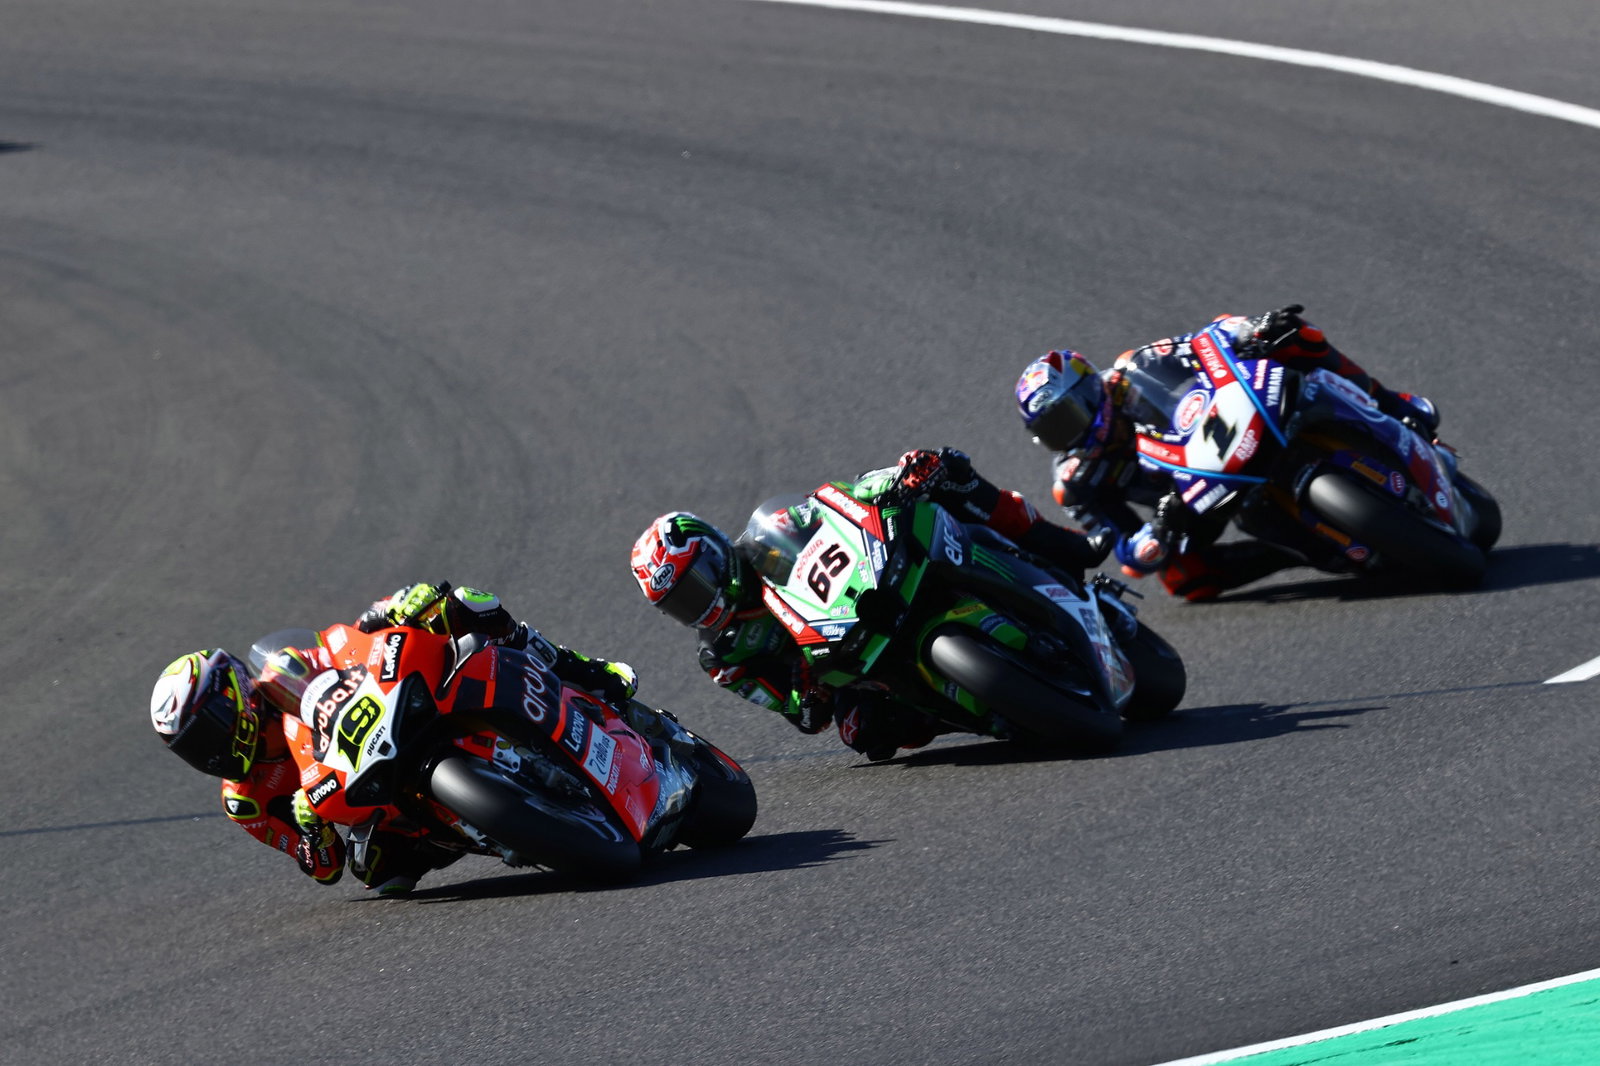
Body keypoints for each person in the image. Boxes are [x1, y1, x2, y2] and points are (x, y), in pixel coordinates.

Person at [149, 582, 638, 896]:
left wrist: (390, 610)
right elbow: (324, 869)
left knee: (465, 606)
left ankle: (585, 671)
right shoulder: (246, 802)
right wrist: (313, 832)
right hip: (360, 794)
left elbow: (340, 644)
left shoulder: (281, 673)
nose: (211, 752)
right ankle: (496, 829)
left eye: (210, 728)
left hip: (383, 713)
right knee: (380, 872)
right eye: (193, 748)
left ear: (234, 694)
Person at [630, 448, 1106, 761]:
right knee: (864, 734)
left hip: (876, 584)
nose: (698, 604)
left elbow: (838, 504)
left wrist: (895, 479)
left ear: (714, 552)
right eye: (678, 604)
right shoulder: (723, 656)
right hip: (844, 663)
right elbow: (793, 713)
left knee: (949, 478)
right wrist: (805, 695)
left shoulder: (770, 535)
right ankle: (992, 709)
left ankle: (1064, 545)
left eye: (695, 585)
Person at [1014, 305, 1440, 601]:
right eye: (1053, 430)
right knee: (1184, 579)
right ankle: (1294, 552)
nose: (1068, 434)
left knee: (1297, 336)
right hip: (1196, 503)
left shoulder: (1133, 371)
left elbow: (1204, 341)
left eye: (1068, 415)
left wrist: (1252, 329)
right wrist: (1156, 533)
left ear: (1090, 389)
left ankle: (1392, 403)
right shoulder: (1075, 482)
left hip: (1234, 428)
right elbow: (1121, 549)